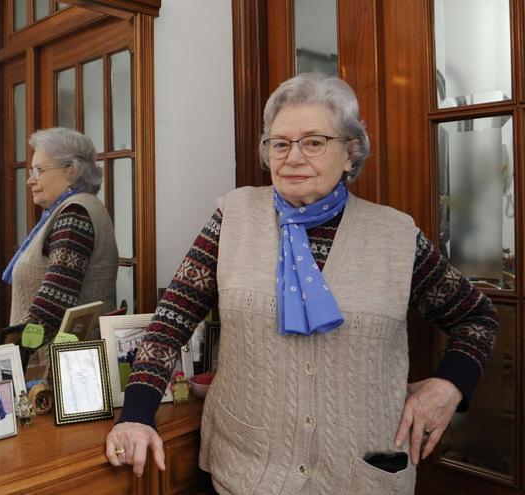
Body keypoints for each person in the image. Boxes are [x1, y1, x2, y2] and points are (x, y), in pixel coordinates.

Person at [105, 73, 499, 494]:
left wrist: (450, 384)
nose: (292, 157)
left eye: (313, 142)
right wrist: (137, 414)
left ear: (350, 152)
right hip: (248, 474)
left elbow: (477, 318)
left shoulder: (396, 237)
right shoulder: (233, 219)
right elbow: (170, 324)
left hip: (364, 477)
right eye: (280, 143)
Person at [4, 127, 119, 360]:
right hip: (69, 360)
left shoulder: (74, 214)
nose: (30, 180)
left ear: (71, 170)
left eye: (39, 170)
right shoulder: (79, 207)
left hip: (57, 368)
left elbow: (53, 304)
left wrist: (13, 354)